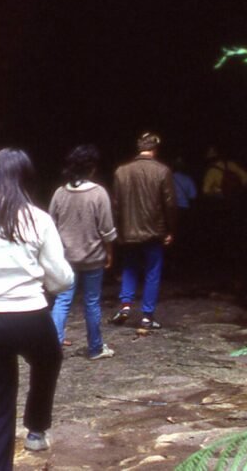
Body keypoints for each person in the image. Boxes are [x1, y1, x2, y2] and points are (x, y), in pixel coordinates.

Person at [0, 148, 74, 470]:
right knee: (49, 358)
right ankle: (37, 428)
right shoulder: (37, 218)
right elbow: (60, 277)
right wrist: (52, 285)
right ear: (28, 178)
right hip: (29, 315)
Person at [49, 144, 118, 360]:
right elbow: (106, 228)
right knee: (91, 302)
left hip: (66, 258)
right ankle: (95, 348)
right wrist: (109, 252)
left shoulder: (60, 193)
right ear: (92, 169)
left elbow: (50, 225)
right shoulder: (98, 193)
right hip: (92, 258)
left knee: (62, 301)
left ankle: (52, 347)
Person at [109, 132, 177, 330]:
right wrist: (170, 230)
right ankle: (147, 316)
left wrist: (118, 229)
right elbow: (170, 204)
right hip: (154, 231)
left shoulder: (121, 171)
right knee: (152, 272)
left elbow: (116, 205)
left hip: (129, 230)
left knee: (129, 268)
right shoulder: (162, 171)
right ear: (155, 150)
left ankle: (126, 306)